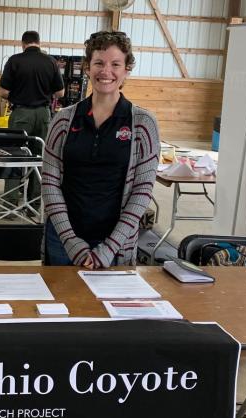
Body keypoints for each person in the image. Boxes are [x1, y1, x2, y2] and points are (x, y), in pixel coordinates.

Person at [42, 31, 160, 268]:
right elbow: (49, 183)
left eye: (115, 64)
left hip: (117, 244)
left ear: (127, 69)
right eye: (98, 63)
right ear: (87, 67)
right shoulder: (63, 120)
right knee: (60, 303)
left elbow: (142, 192)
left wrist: (109, 248)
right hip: (63, 240)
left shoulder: (144, 124)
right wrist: (71, 241)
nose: (106, 71)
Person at [0, 31, 65, 211]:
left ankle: (10, 203)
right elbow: (61, 93)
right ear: (38, 43)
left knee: (15, 157)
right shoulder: (50, 61)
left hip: (21, 114)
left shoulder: (14, 60)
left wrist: (17, 95)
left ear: (23, 43)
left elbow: (3, 91)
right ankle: (34, 203)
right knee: (40, 157)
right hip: (43, 115)